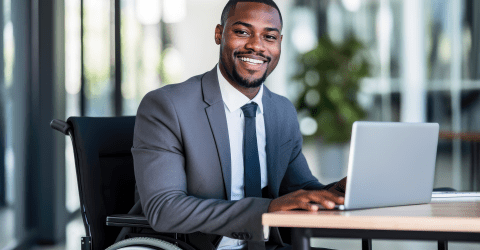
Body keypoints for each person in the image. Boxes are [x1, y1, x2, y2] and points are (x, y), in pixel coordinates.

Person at [132, 0, 346, 249]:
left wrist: (338, 191)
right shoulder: (167, 106)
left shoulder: (281, 110)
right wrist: (266, 209)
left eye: (270, 37)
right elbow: (165, 209)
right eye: (242, 32)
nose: (256, 45)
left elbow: (300, 190)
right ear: (219, 34)